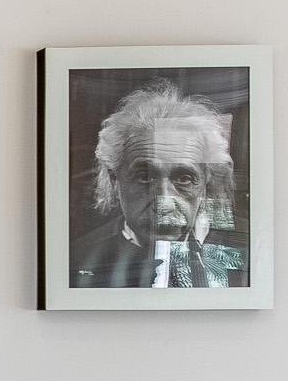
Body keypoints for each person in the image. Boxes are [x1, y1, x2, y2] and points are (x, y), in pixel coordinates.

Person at [69, 79, 247, 288]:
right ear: (114, 181)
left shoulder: (251, 248)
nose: (164, 203)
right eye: (145, 177)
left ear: (207, 183)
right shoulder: (76, 259)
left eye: (184, 179)